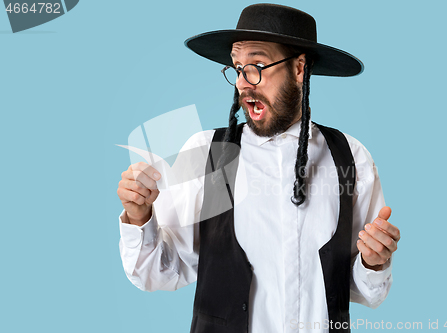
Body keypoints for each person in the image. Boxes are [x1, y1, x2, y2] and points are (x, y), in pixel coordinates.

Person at [117, 4, 400, 333]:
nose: (243, 83)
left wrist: (373, 262)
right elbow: (160, 271)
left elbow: (363, 291)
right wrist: (139, 217)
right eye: (238, 68)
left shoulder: (350, 158)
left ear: (299, 69)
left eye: (257, 66)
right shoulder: (208, 155)